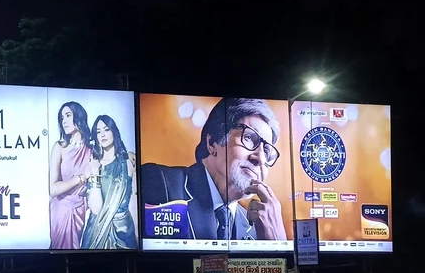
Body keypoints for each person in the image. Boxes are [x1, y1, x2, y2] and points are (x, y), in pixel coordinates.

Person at [141, 98, 288, 241]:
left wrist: (277, 241)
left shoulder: (258, 226)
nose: (260, 158)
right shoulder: (157, 181)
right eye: (249, 137)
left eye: (267, 151)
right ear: (212, 143)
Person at [80, 114, 138, 249]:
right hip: (97, 232)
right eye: (98, 132)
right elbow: (96, 209)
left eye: (106, 130)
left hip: (124, 232)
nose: (102, 135)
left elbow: (134, 200)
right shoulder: (93, 165)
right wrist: (94, 173)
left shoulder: (128, 161)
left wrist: (137, 234)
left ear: (114, 131)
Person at [49, 101, 93, 249]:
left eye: (68, 116)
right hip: (61, 210)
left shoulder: (92, 148)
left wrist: (131, 155)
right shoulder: (60, 147)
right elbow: (53, 189)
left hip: (82, 210)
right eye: (62, 118)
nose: (64, 121)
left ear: (79, 117)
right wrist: (80, 178)